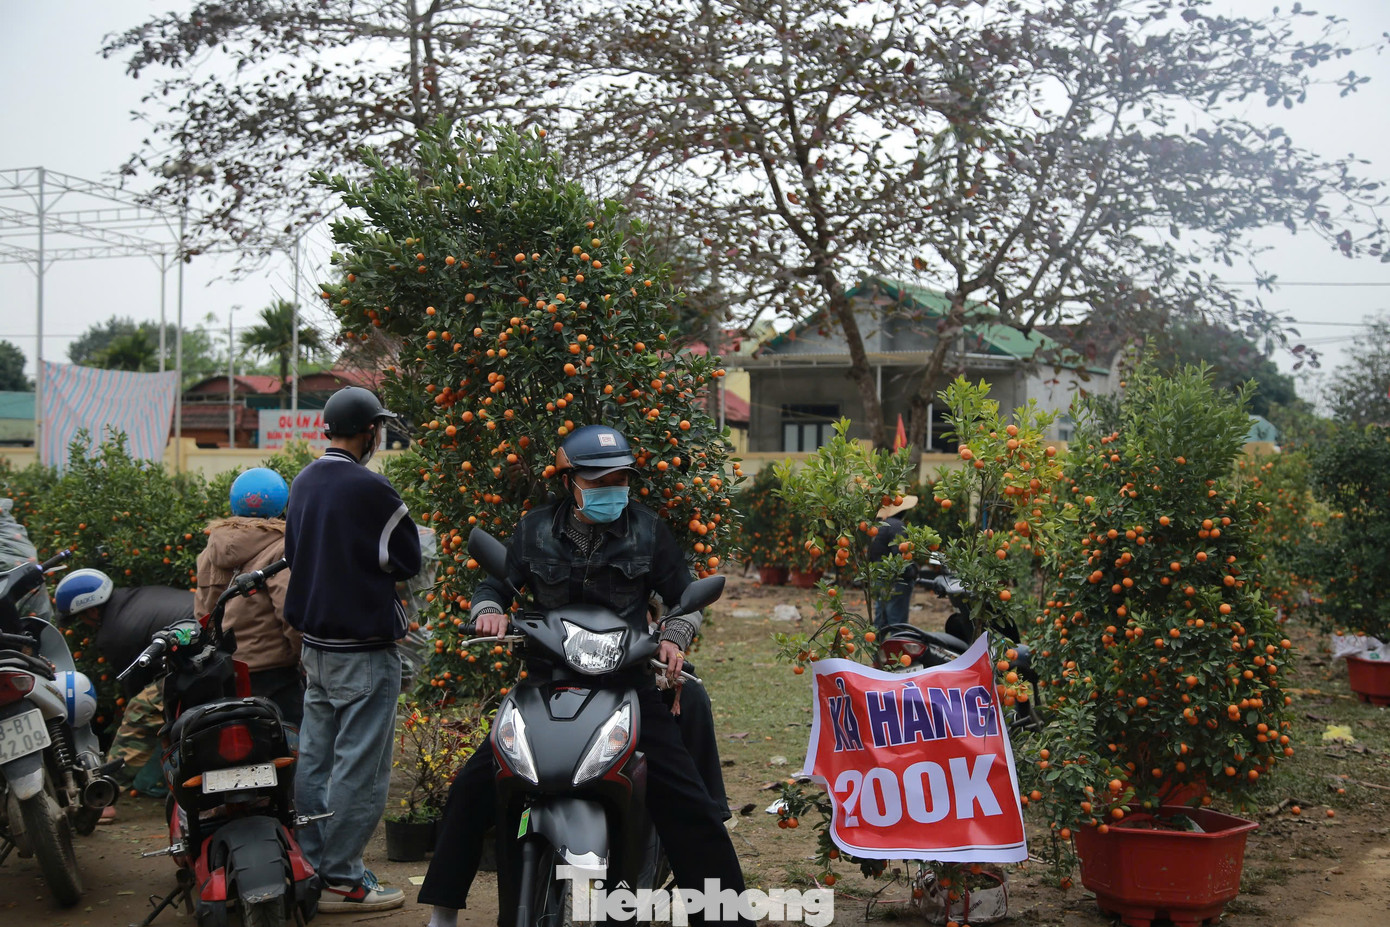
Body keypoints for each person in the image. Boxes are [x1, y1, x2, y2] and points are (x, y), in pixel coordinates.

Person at [419, 424, 748, 927]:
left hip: (627, 685)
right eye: (598, 480)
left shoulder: (648, 529)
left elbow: (685, 598)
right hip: (545, 684)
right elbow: (495, 583)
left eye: (620, 478)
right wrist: (488, 608)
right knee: (474, 785)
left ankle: (726, 916)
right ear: (569, 482)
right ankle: (443, 909)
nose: (611, 489)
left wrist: (674, 636)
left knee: (688, 802)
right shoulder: (533, 529)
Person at [283, 386, 421, 914]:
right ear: (369, 431)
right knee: (360, 772)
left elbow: (295, 552)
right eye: (377, 429)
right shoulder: (372, 489)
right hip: (363, 650)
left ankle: (315, 867)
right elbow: (404, 559)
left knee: (315, 763)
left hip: (315, 648)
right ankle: (343, 881)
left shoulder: (303, 481)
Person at [54, 567, 196, 807]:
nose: (84, 624)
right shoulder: (137, 596)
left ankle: (105, 792)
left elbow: (135, 686)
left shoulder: (114, 632)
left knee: (140, 711)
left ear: (92, 609)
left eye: (81, 617)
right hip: (216, 646)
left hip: (198, 660)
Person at [195, 467, 303, 724]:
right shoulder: (282, 547)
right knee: (293, 753)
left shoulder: (211, 551)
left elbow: (203, 615)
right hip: (276, 676)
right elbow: (291, 614)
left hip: (226, 673)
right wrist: (306, 662)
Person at [869, 494, 919, 630]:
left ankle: (876, 650)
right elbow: (901, 554)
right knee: (897, 622)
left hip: (880, 578)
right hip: (896, 580)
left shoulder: (880, 526)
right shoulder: (897, 525)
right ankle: (897, 650)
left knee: (881, 621)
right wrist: (911, 573)